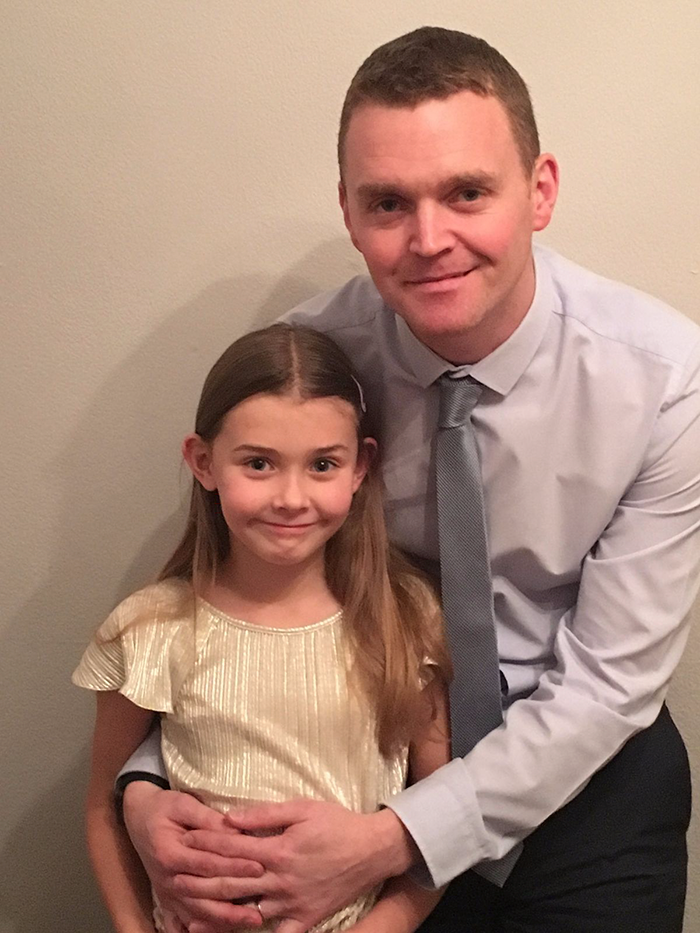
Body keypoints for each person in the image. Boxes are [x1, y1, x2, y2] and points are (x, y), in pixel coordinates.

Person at [117, 26, 700, 933]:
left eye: (467, 192)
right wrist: (148, 782)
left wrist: (398, 837)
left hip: (589, 781)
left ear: (540, 190)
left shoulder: (664, 379)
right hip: (353, 757)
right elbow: (240, 581)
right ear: (348, 213)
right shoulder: (313, 363)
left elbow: (608, 685)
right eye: (388, 203)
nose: (430, 240)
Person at [73, 323, 452, 933]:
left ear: (361, 467)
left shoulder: (405, 619)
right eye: (258, 464)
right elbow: (103, 809)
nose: (291, 498)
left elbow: (438, 815)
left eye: (323, 464)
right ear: (204, 463)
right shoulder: (149, 628)